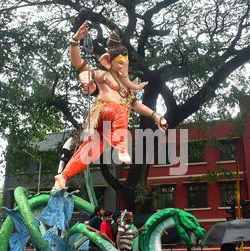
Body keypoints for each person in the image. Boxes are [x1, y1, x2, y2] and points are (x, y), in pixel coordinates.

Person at [54, 20, 168, 190]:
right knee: (120, 110)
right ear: (108, 61)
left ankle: (63, 176)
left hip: (107, 127)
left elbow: (136, 106)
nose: (123, 68)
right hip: (103, 111)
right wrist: (75, 40)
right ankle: (122, 147)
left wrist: (155, 115)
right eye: (120, 63)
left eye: (125, 64)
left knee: (91, 151)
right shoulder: (103, 74)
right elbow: (79, 64)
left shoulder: (126, 89)